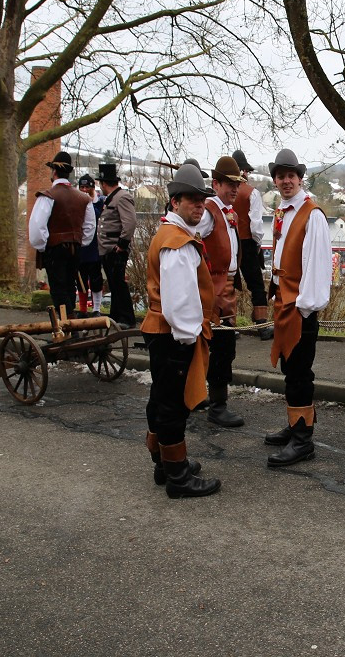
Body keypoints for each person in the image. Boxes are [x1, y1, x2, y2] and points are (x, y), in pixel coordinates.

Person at [139, 163, 222, 499]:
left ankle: (166, 463)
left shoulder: (171, 234)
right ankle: (178, 477)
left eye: (202, 199)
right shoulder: (176, 242)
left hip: (163, 331)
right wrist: (189, 337)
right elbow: (178, 301)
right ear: (175, 202)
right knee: (173, 403)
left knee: (161, 398)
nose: (198, 204)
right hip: (174, 335)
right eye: (191, 199)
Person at [262, 149, 332, 467]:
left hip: (300, 308)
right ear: (276, 180)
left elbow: (317, 266)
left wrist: (304, 309)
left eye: (291, 176)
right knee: (291, 370)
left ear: (300, 179)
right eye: (281, 176)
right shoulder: (283, 211)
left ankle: (303, 440)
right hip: (285, 304)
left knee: (300, 373)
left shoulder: (312, 214)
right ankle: (295, 425)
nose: (286, 180)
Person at [199, 156, 249, 428]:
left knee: (220, 347)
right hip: (214, 291)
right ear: (216, 184)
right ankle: (217, 406)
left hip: (227, 287)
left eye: (237, 185)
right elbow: (191, 242)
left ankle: (201, 398)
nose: (235, 189)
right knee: (220, 348)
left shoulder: (228, 212)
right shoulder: (208, 212)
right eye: (230, 184)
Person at [28, 151, 96, 318]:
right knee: (69, 285)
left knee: (58, 288)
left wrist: (44, 246)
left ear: (54, 172)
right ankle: (70, 320)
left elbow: (37, 227)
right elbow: (89, 228)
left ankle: (68, 324)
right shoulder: (84, 198)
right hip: (75, 248)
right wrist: (80, 242)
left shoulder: (48, 196)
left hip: (55, 248)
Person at [231, 150, 273, 340]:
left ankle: (227, 324)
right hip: (247, 242)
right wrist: (257, 244)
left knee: (227, 284)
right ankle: (262, 325)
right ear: (243, 171)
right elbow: (256, 224)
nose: (246, 173)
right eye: (245, 170)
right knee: (256, 284)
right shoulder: (251, 193)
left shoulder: (221, 191)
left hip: (228, 241)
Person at [96, 163, 137, 328]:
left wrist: (122, 244)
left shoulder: (122, 197)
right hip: (108, 249)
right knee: (114, 284)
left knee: (119, 284)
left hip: (115, 249)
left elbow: (130, 222)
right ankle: (116, 316)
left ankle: (127, 318)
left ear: (104, 183)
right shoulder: (112, 197)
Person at [75, 174, 105, 314]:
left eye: (87, 187)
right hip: (81, 246)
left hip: (95, 246)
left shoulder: (100, 202)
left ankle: (96, 308)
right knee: (81, 279)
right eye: (82, 187)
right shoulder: (76, 202)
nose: (85, 190)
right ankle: (82, 309)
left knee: (96, 279)